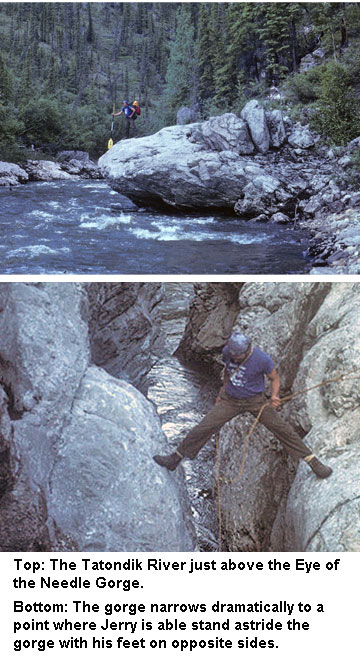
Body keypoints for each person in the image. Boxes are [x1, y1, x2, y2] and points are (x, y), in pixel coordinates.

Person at [153, 332, 332, 479]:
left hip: (255, 401)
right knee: (204, 427)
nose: (235, 358)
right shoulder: (228, 352)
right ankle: (175, 459)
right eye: (233, 355)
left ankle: (312, 461)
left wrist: (275, 396)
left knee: (282, 428)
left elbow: (274, 378)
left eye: (238, 356)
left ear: (247, 351)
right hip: (231, 399)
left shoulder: (262, 359)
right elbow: (228, 374)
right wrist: (222, 392)